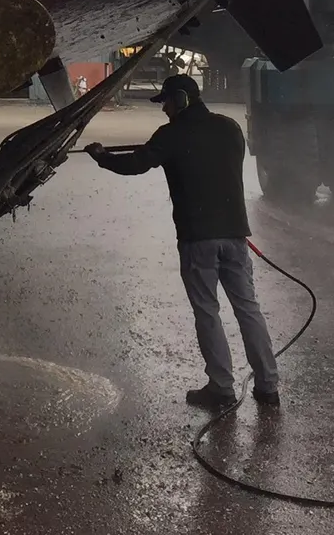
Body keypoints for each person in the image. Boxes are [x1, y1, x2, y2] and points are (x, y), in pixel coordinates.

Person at [88, 73, 279, 410]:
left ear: (180, 100)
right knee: (248, 309)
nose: (164, 109)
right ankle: (268, 386)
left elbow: (137, 163)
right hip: (235, 236)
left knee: (207, 312)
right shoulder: (229, 128)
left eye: (165, 102)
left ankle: (221, 388)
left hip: (198, 240)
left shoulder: (171, 134)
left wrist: (103, 156)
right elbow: (205, 156)